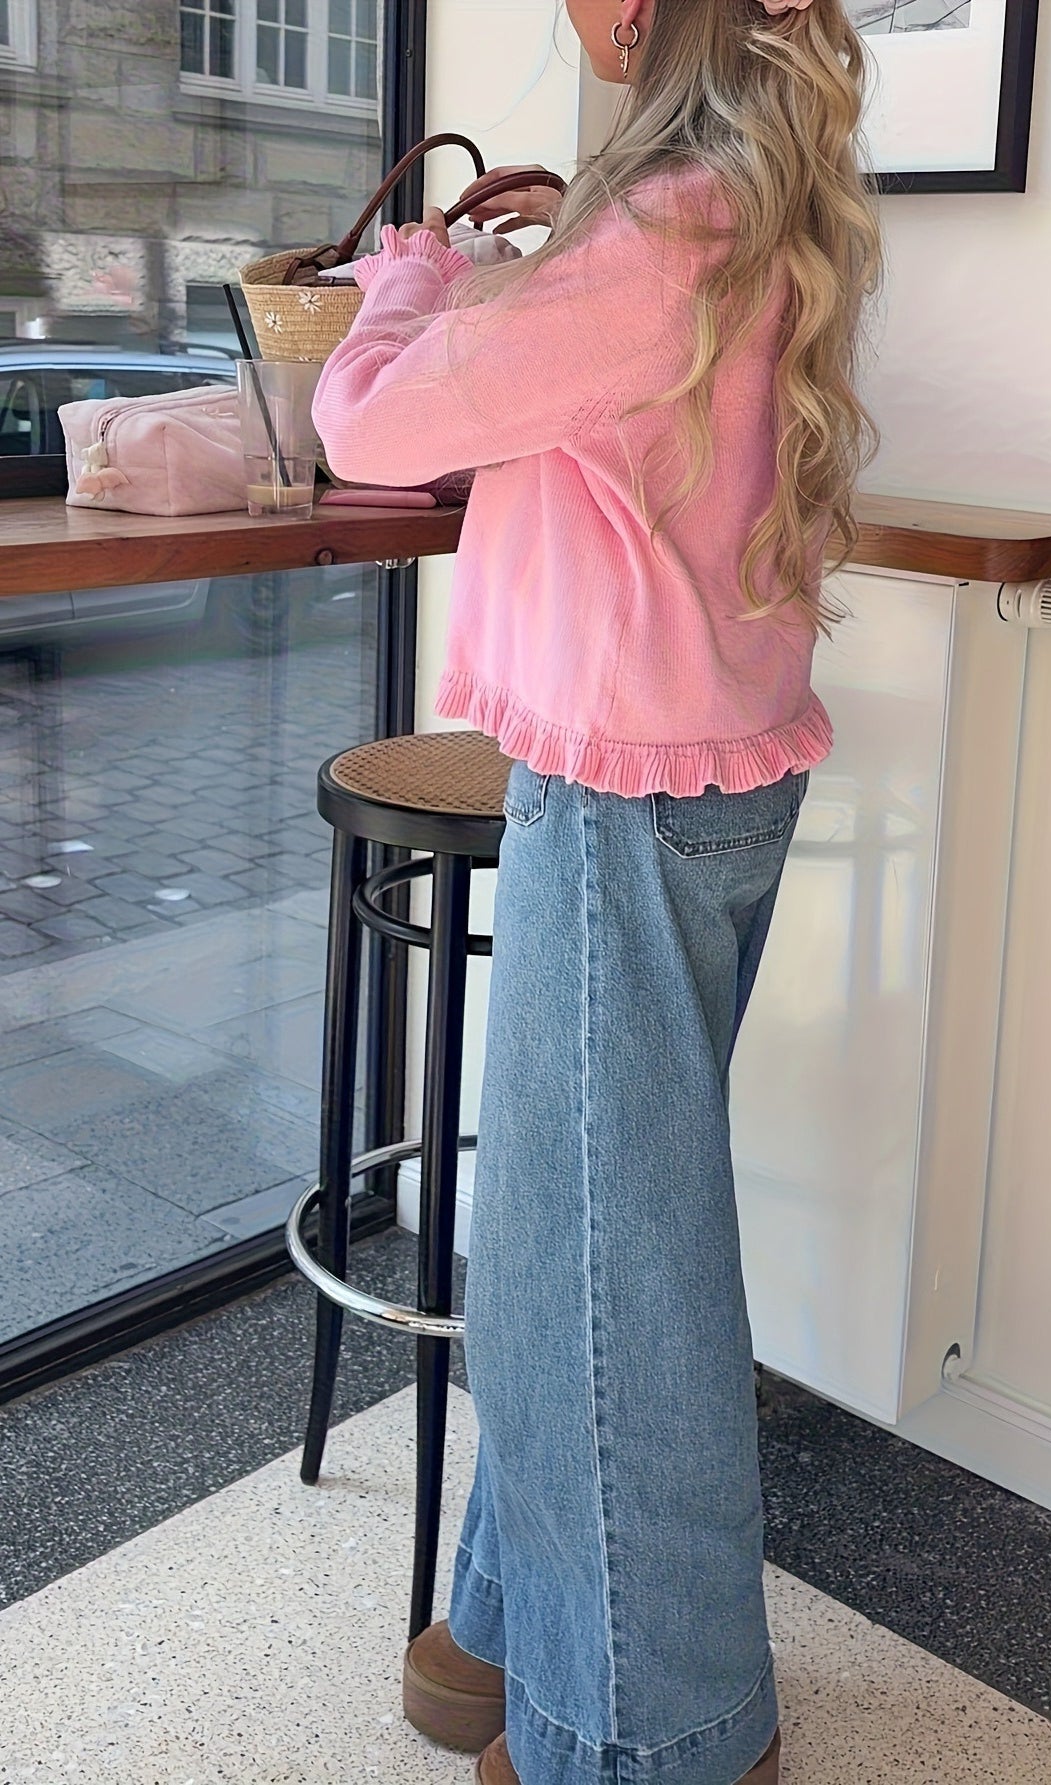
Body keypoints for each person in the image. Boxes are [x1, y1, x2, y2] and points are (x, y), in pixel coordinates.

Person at [313, 1, 880, 1779]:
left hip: (625, 799)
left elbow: (366, 420)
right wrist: (547, 258)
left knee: (594, 1283)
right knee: (591, 1241)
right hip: (712, 779)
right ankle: (510, 1629)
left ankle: (660, 1735)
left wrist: (412, 273)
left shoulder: (656, 234)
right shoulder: (737, 209)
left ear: (636, 13)